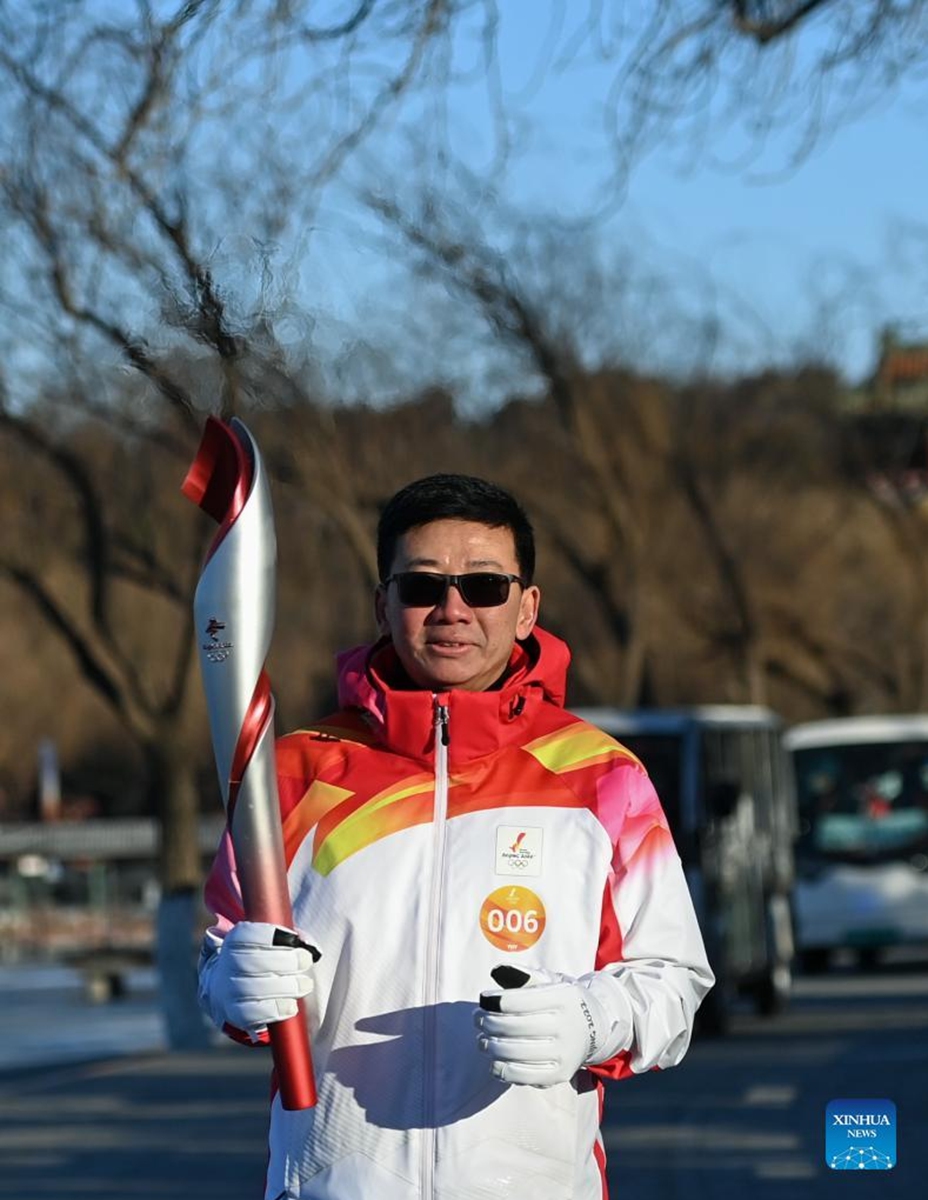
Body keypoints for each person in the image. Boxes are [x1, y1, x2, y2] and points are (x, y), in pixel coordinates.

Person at [197, 473, 714, 1200]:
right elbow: (222, 952)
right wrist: (232, 985)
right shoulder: (294, 774)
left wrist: (590, 1020)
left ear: (527, 607)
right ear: (383, 604)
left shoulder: (602, 778)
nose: (452, 610)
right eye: (421, 587)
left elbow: (674, 980)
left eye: (484, 586)